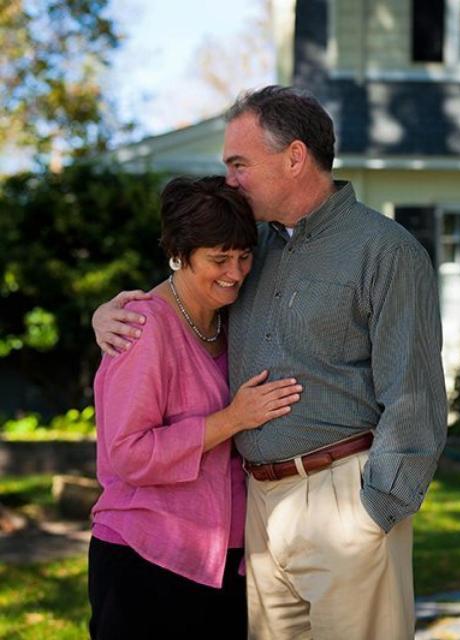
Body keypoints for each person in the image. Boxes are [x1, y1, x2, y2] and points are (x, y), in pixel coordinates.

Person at [93, 86, 447, 639]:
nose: (230, 179)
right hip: (255, 512)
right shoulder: (249, 246)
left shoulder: (387, 252)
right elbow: (185, 286)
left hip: (344, 501)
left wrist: (376, 510)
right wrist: (106, 314)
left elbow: (414, 393)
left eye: (239, 164)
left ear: (295, 157)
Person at [88, 176, 303, 640]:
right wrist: (233, 419)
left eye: (244, 256)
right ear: (179, 255)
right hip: (145, 558)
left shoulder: (233, 320)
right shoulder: (141, 328)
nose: (236, 271)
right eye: (218, 259)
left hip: (224, 559)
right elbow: (127, 452)